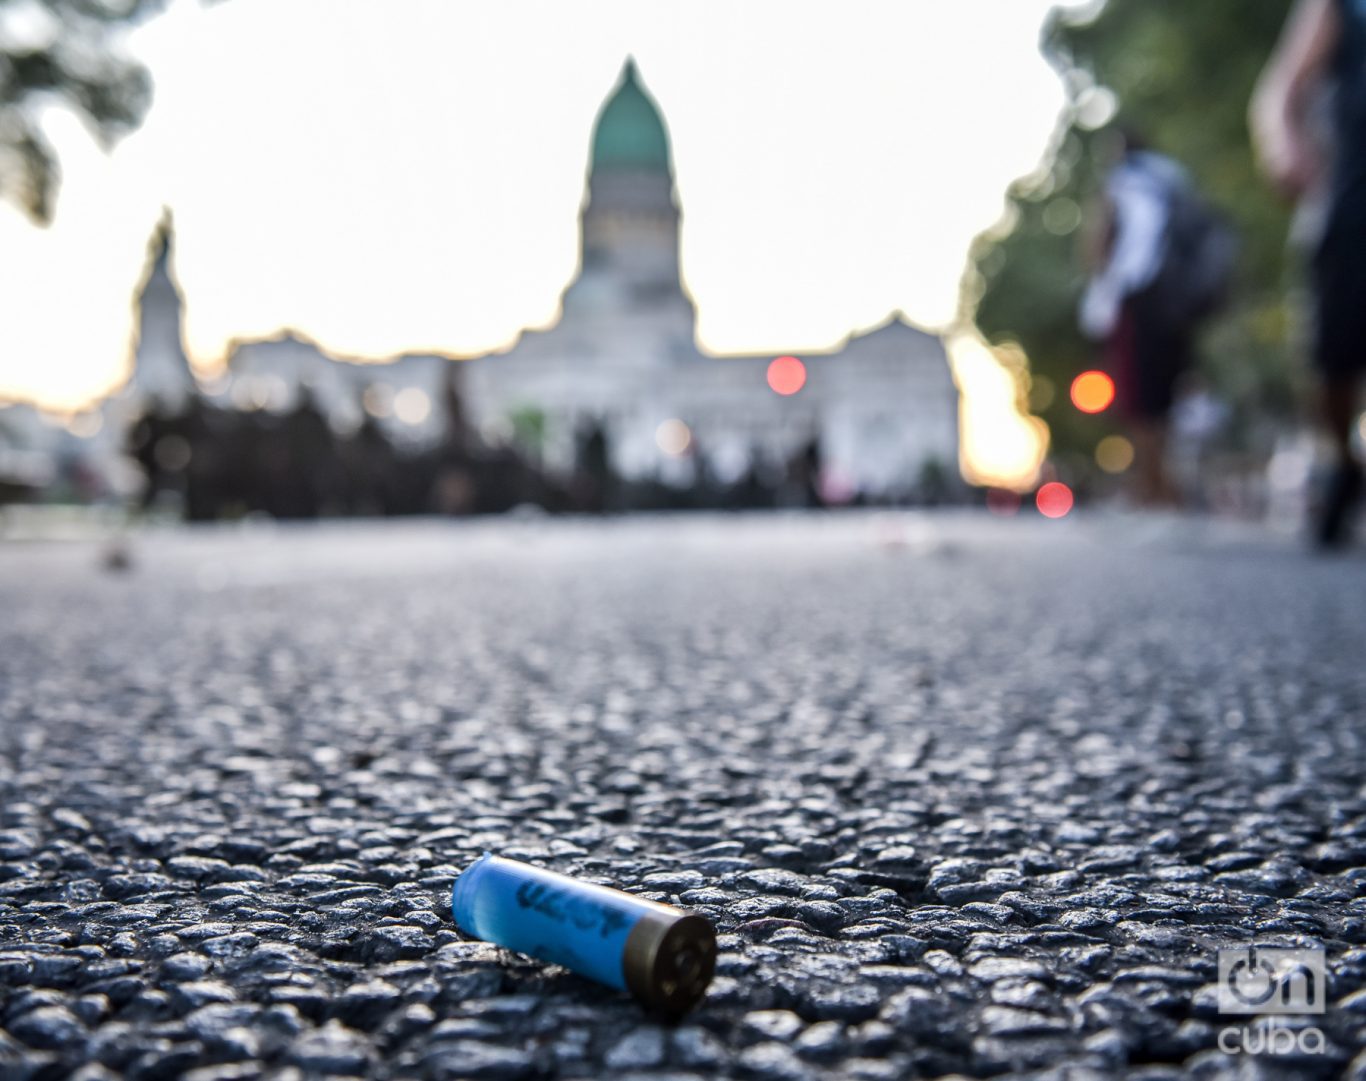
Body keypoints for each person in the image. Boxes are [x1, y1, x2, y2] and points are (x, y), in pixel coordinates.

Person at [1252, 0, 1366, 547]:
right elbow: (1282, 87)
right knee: (1334, 351)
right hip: (1353, 193)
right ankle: (1344, 461)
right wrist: (1284, 144)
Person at [1080, 128, 1196, 507]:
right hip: (1179, 297)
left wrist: (1099, 280)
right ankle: (1163, 486)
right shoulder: (1172, 178)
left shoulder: (1121, 183)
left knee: (1138, 399)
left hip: (1137, 296)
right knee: (1164, 396)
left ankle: (1153, 490)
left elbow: (1099, 243)